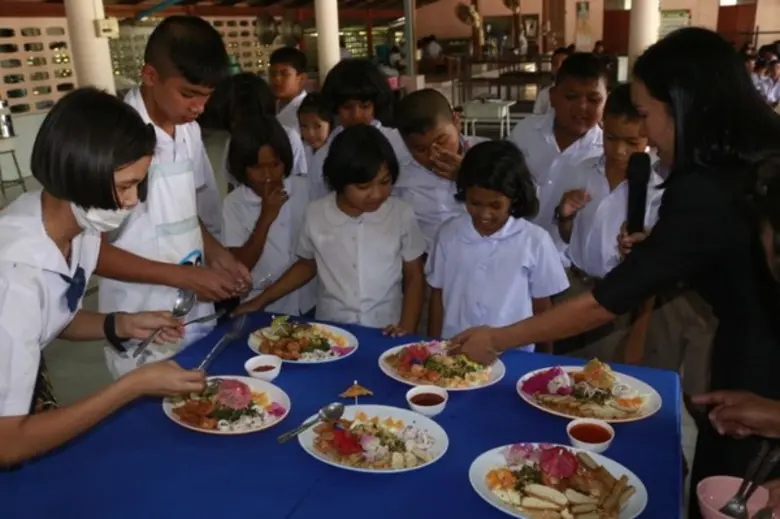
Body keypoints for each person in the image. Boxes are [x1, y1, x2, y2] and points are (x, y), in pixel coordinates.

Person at [450, 27, 780, 518]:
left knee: (737, 497)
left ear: (684, 106)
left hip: (765, 363)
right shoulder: (743, 160)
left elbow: (605, 300)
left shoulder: (716, 183)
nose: (645, 142)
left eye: (646, 118)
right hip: (748, 365)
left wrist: (498, 337)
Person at [0, 88, 205, 467]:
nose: (131, 202)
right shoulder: (15, 275)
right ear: (80, 171)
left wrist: (122, 324)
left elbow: (50, 315)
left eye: (137, 185)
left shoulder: (77, 228)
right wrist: (132, 385)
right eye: (125, 185)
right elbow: (8, 443)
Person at [96, 15, 252, 378]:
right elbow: (92, 251)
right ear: (150, 76)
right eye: (188, 94)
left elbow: (180, 213)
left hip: (192, 313)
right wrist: (183, 277)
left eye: (206, 97)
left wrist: (217, 256)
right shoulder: (113, 137)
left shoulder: (189, 133)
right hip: (138, 317)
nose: (198, 107)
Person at [233, 125, 426, 336]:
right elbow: (308, 264)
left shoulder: (401, 213)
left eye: (385, 182)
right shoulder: (316, 213)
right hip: (333, 330)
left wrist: (406, 329)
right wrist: (260, 301)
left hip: (387, 328)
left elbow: (414, 276)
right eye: (363, 187)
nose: (377, 194)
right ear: (339, 181)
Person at [426, 141, 568, 351]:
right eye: (475, 203)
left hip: (514, 352)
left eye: (495, 205)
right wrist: (434, 347)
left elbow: (543, 309)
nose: (484, 214)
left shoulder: (535, 241)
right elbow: (437, 295)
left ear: (514, 198)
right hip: (454, 348)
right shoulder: (448, 234)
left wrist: (544, 360)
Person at [509, 52, 606, 264]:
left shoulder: (605, 154)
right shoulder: (525, 132)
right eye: (571, 97)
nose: (582, 107)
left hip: (566, 265)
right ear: (552, 96)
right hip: (512, 254)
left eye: (593, 99)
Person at [222, 115, 315, 315]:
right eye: (257, 168)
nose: (267, 177)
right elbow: (241, 266)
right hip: (261, 307)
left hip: (309, 301)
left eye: (274, 165)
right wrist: (266, 216)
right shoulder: (234, 204)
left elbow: (312, 258)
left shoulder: (305, 189)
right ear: (241, 167)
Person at [393, 88, 487, 253]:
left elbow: (520, 202)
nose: (433, 155)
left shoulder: (490, 155)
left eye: (442, 140)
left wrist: (468, 177)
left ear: (457, 122)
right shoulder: (399, 175)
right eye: (420, 149)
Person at [308, 58, 411, 201]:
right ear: (335, 108)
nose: (356, 115)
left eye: (365, 106)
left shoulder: (398, 144)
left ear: (376, 105)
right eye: (347, 107)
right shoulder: (323, 156)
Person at [213, 73, 307, 192]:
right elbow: (232, 185)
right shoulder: (232, 142)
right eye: (236, 122)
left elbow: (299, 183)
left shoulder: (289, 138)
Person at [268, 46, 308, 131]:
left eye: (284, 74)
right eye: (273, 74)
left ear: (302, 78)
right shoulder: (270, 105)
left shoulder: (308, 110)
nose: (277, 79)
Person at [296, 93, 332, 173]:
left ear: (330, 123)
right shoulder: (301, 151)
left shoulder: (334, 153)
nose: (310, 133)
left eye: (317, 126)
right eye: (304, 126)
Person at [533, 47, 571, 115]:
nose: (559, 67)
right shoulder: (544, 94)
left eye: (563, 64)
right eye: (555, 63)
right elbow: (536, 118)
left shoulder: (580, 95)